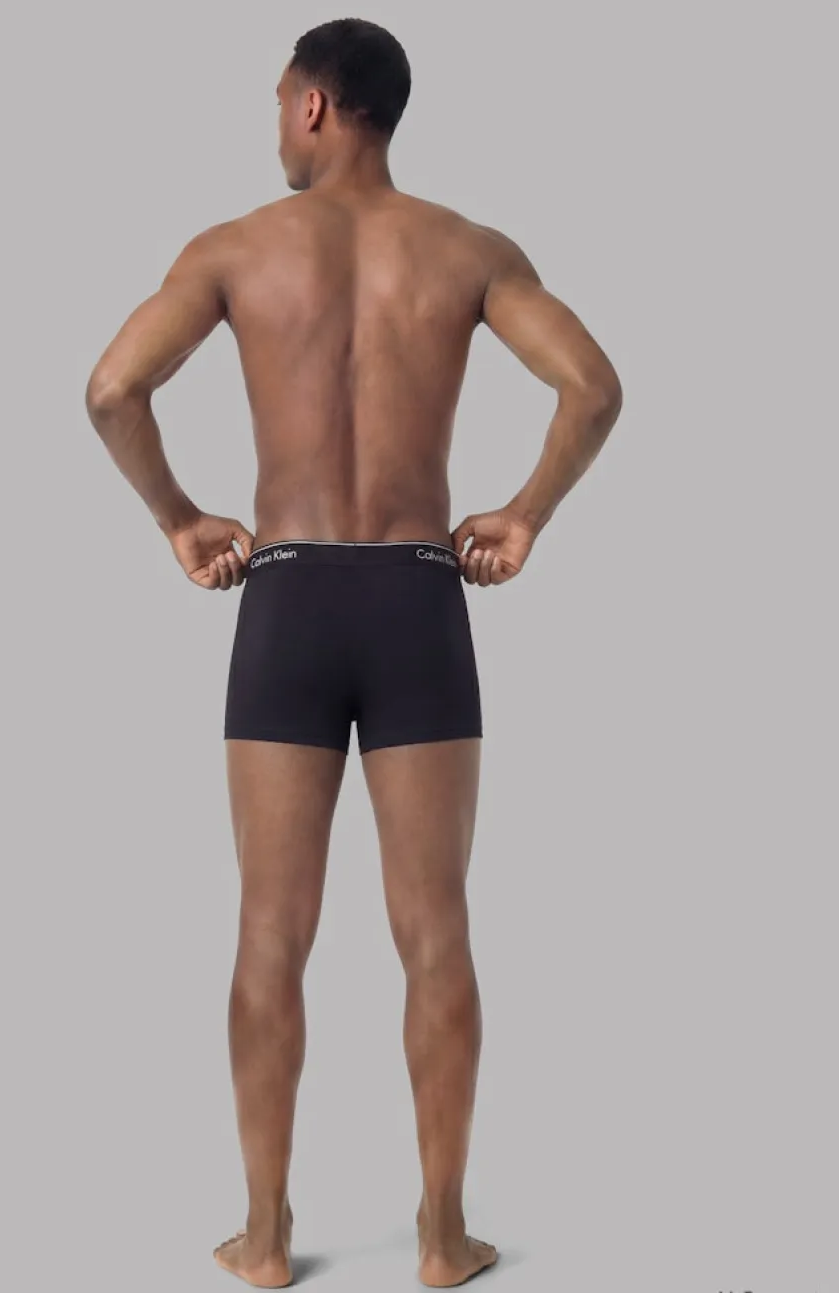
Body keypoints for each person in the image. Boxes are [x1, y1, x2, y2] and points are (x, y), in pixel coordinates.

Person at [85, 17, 622, 1289]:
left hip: (286, 600)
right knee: (436, 931)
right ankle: (442, 1237)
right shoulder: (469, 251)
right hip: (419, 602)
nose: (275, 123)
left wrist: (179, 519)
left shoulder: (233, 251)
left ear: (316, 106)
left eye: (279, 100)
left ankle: (267, 1237)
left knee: (270, 933)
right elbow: (592, 386)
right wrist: (523, 515)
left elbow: (111, 390)